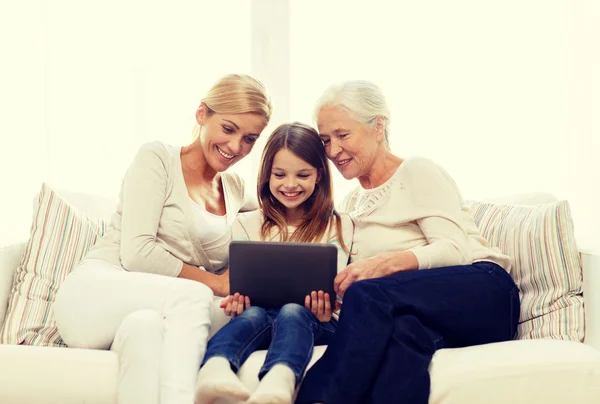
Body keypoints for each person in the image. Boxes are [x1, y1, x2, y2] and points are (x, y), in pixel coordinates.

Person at [295, 80, 521, 404]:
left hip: (485, 294)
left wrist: (382, 265)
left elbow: (455, 249)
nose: (332, 150)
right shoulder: (350, 204)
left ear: (378, 126)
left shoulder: (415, 171)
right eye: (326, 140)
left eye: (343, 135)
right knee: (400, 338)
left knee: (369, 293)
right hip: (427, 315)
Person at [52, 74, 272, 404]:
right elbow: (138, 253)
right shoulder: (158, 159)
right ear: (202, 115)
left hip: (141, 311)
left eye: (249, 139)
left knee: (146, 332)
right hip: (94, 294)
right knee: (195, 296)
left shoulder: (236, 190)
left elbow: (283, 210)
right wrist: (217, 283)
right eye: (228, 129)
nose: (235, 147)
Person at [194, 122, 354, 404]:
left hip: (319, 322)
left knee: (292, 311)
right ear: (267, 176)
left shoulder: (340, 225)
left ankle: (279, 382)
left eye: (302, 175)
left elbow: (344, 286)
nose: (290, 185)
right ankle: (214, 369)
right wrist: (236, 301)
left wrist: (331, 304)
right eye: (279, 175)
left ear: (319, 175)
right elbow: (239, 284)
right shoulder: (246, 224)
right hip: (261, 317)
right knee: (253, 313)